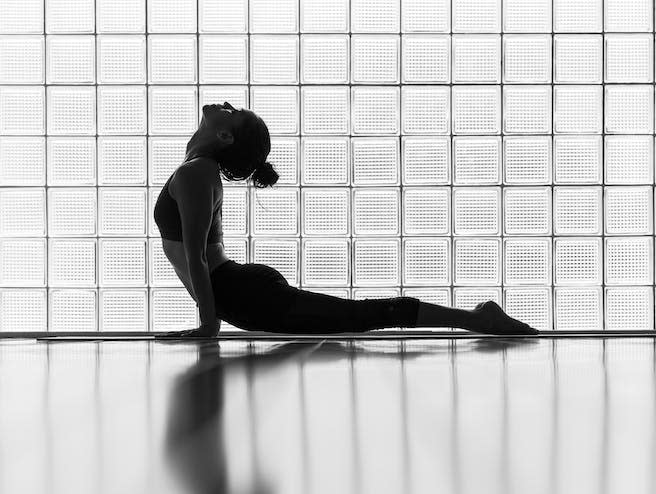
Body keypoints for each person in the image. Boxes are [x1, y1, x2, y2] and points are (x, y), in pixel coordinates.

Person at [153, 102, 537, 337]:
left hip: (242, 294)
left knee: (363, 316)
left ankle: (477, 319)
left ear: (224, 136)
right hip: (238, 294)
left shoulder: (196, 172)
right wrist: (211, 317)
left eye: (234, 113)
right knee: (360, 316)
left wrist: (208, 322)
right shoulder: (196, 170)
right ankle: (475, 318)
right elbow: (196, 257)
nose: (226, 105)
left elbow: (197, 257)